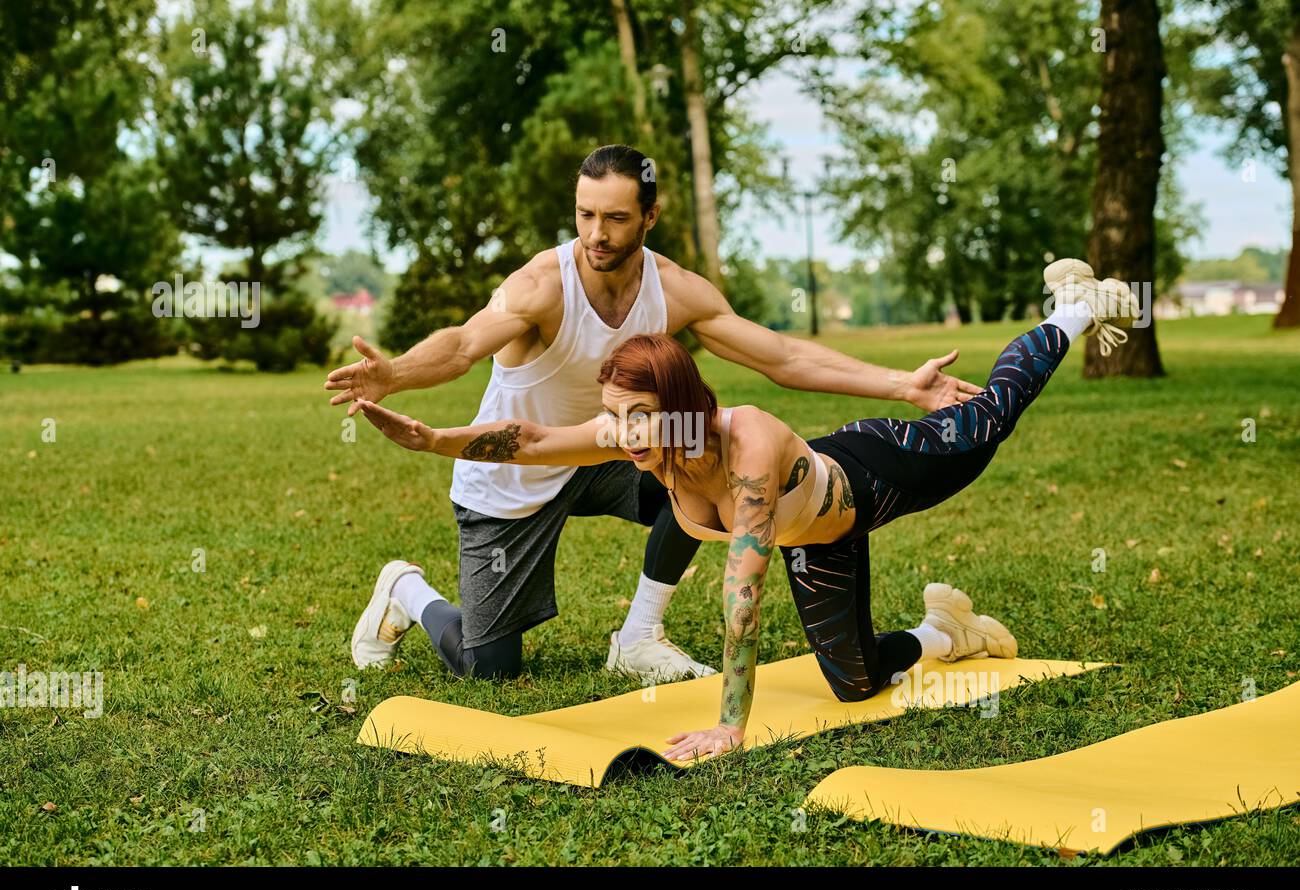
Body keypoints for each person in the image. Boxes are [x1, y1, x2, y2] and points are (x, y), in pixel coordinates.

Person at [356, 256, 1138, 761]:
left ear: (677, 406)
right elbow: (527, 438)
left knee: (990, 418)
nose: (621, 432)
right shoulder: (641, 435)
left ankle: (1070, 308)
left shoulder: (748, 448)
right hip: (824, 537)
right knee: (856, 681)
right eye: (614, 415)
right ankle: (946, 631)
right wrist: (430, 438)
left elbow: (742, 596)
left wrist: (731, 725)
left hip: (881, 474)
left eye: (636, 415)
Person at [328, 143, 985, 682]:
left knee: (709, 463)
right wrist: (397, 374)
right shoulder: (541, 286)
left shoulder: (673, 291)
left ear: (650, 216)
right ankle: (406, 592)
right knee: (488, 666)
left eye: (614, 218)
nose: (596, 234)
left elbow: (781, 357)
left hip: (612, 453)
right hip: (518, 468)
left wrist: (903, 386)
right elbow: (465, 343)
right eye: (585, 215)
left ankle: (638, 635)